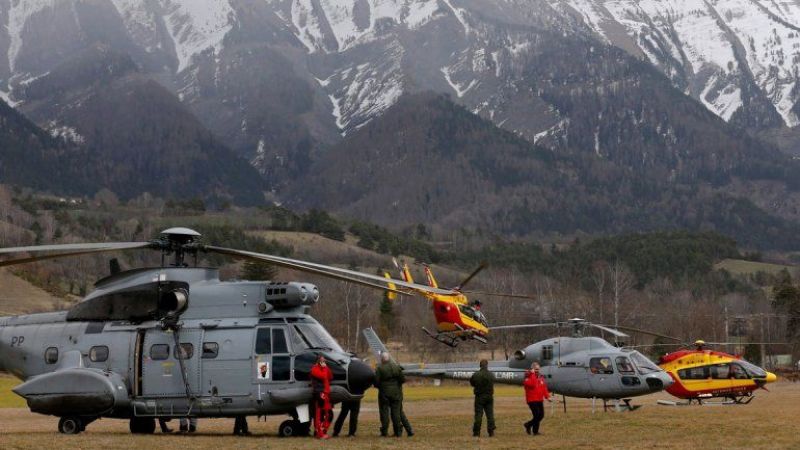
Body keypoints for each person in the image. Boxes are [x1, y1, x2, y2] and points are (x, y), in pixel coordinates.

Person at [374, 351, 408, 437]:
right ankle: (398, 432)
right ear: (388, 358)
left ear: (382, 359)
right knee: (396, 413)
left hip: (384, 394)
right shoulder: (396, 367)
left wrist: (381, 387)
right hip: (396, 393)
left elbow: (376, 382)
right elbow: (403, 379)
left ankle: (384, 432)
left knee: (384, 412)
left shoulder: (380, 368)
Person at [523, 362, 551, 436]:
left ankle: (530, 426)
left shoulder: (541, 377)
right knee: (536, 415)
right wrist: (532, 374)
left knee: (541, 415)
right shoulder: (527, 377)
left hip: (539, 399)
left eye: (538, 369)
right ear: (532, 369)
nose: (537, 370)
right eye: (535, 369)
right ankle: (530, 427)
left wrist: (547, 397)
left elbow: (544, 387)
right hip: (532, 400)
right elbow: (532, 384)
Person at [310, 354, 333, 439]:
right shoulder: (314, 369)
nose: (324, 362)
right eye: (322, 360)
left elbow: (330, 376)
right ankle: (318, 433)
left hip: (326, 393)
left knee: (329, 414)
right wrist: (324, 368)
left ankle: (323, 430)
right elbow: (323, 376)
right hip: (319, 392)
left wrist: (326, 368)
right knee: (319, 414)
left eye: (324, 360)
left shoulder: (324, 368)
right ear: (318, 361)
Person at [470, 359, 495, 437]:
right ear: (487, 365)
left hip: (479, 397)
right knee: (490, 415)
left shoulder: (476, 374)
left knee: (478, 415)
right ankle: (491, 431)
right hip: (489, 397)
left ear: (480, 365)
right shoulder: (491, 375)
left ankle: (476, 432)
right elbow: (492, 383)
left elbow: (472, 383)